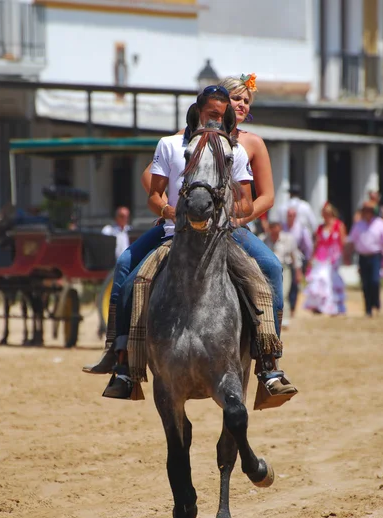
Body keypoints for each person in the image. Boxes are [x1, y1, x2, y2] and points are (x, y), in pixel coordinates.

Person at [84, 80, 296, 399]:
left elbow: (256, 199)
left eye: (244, 101)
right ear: (200, 111)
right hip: (176, 228)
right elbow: (152, 183)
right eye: (233, 100)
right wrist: (170, 207)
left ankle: (269, 361)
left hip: (227, 228)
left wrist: (232, 217)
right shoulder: (175, 143)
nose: (239, 105)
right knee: (127, 268)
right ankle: (122, 358)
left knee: (269, 268)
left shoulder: (241, 145)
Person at [304, 203, 346, 316]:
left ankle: (333, 306)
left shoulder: (339, 225)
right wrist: (311, 258)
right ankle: (319, 305)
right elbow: (316, 244)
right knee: (320, 279)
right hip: (321, 256)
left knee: (331, 280)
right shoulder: (320, 227)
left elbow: (343, 242)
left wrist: (345, 257)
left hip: (334, 257)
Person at [260, 218, 302, 328]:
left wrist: (298, 271)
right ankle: (270, 319)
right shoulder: (263, 239)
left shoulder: (288, 239)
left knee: (283, 294)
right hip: (267, 270)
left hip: (285, 268)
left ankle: (285, 319)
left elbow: (295, 256)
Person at [346, 200, 383, 316]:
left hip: (375, 255)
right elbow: (352, 241)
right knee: (365, 282)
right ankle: (368, 307)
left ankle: (376, 303)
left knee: (374, 280)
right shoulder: (358, 225)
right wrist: (347, 255)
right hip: (362, 256)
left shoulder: (380, 224)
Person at [283, 207, 313, 316]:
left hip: (298, 258)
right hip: (285, 258)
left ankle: (292, 307)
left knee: (295, 284)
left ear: (295, 216)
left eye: (292, 215)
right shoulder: (283, 227)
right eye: (289, 215)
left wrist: (308, 258)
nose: (290, 217)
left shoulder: (301, 228)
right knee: (286, 284)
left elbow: (308, 245)